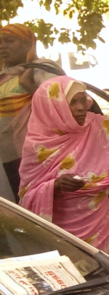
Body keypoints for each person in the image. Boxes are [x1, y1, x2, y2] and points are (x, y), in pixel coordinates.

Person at [19, 77, 109, 259]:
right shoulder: (36, 147)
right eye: (73, 102)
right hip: (62, 230)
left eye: (83, 100)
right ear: (53, 107)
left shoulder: (97, 126)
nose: (81, 107)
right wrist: (55, 186)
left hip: (103, 221)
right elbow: (27, 195)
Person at [0, 23, 62, 199]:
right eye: (0, 42)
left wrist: (28, 85)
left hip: (39, 156)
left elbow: (61, 110)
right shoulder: (4, 75)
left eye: (9, 41)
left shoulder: (43, 69)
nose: (2, 46)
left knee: (37, 202)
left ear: (28, 43)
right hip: (7, 158)